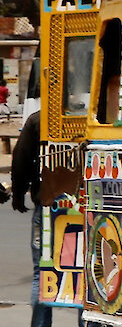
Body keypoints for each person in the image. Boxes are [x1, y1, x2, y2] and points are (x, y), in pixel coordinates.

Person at [11, 112, 48, 327]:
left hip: (46, 207)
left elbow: (21, 159)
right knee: (84, 275)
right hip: (85, 209)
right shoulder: (97, 115)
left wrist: (18, 194)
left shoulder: (38, 119)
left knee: (41, 274)